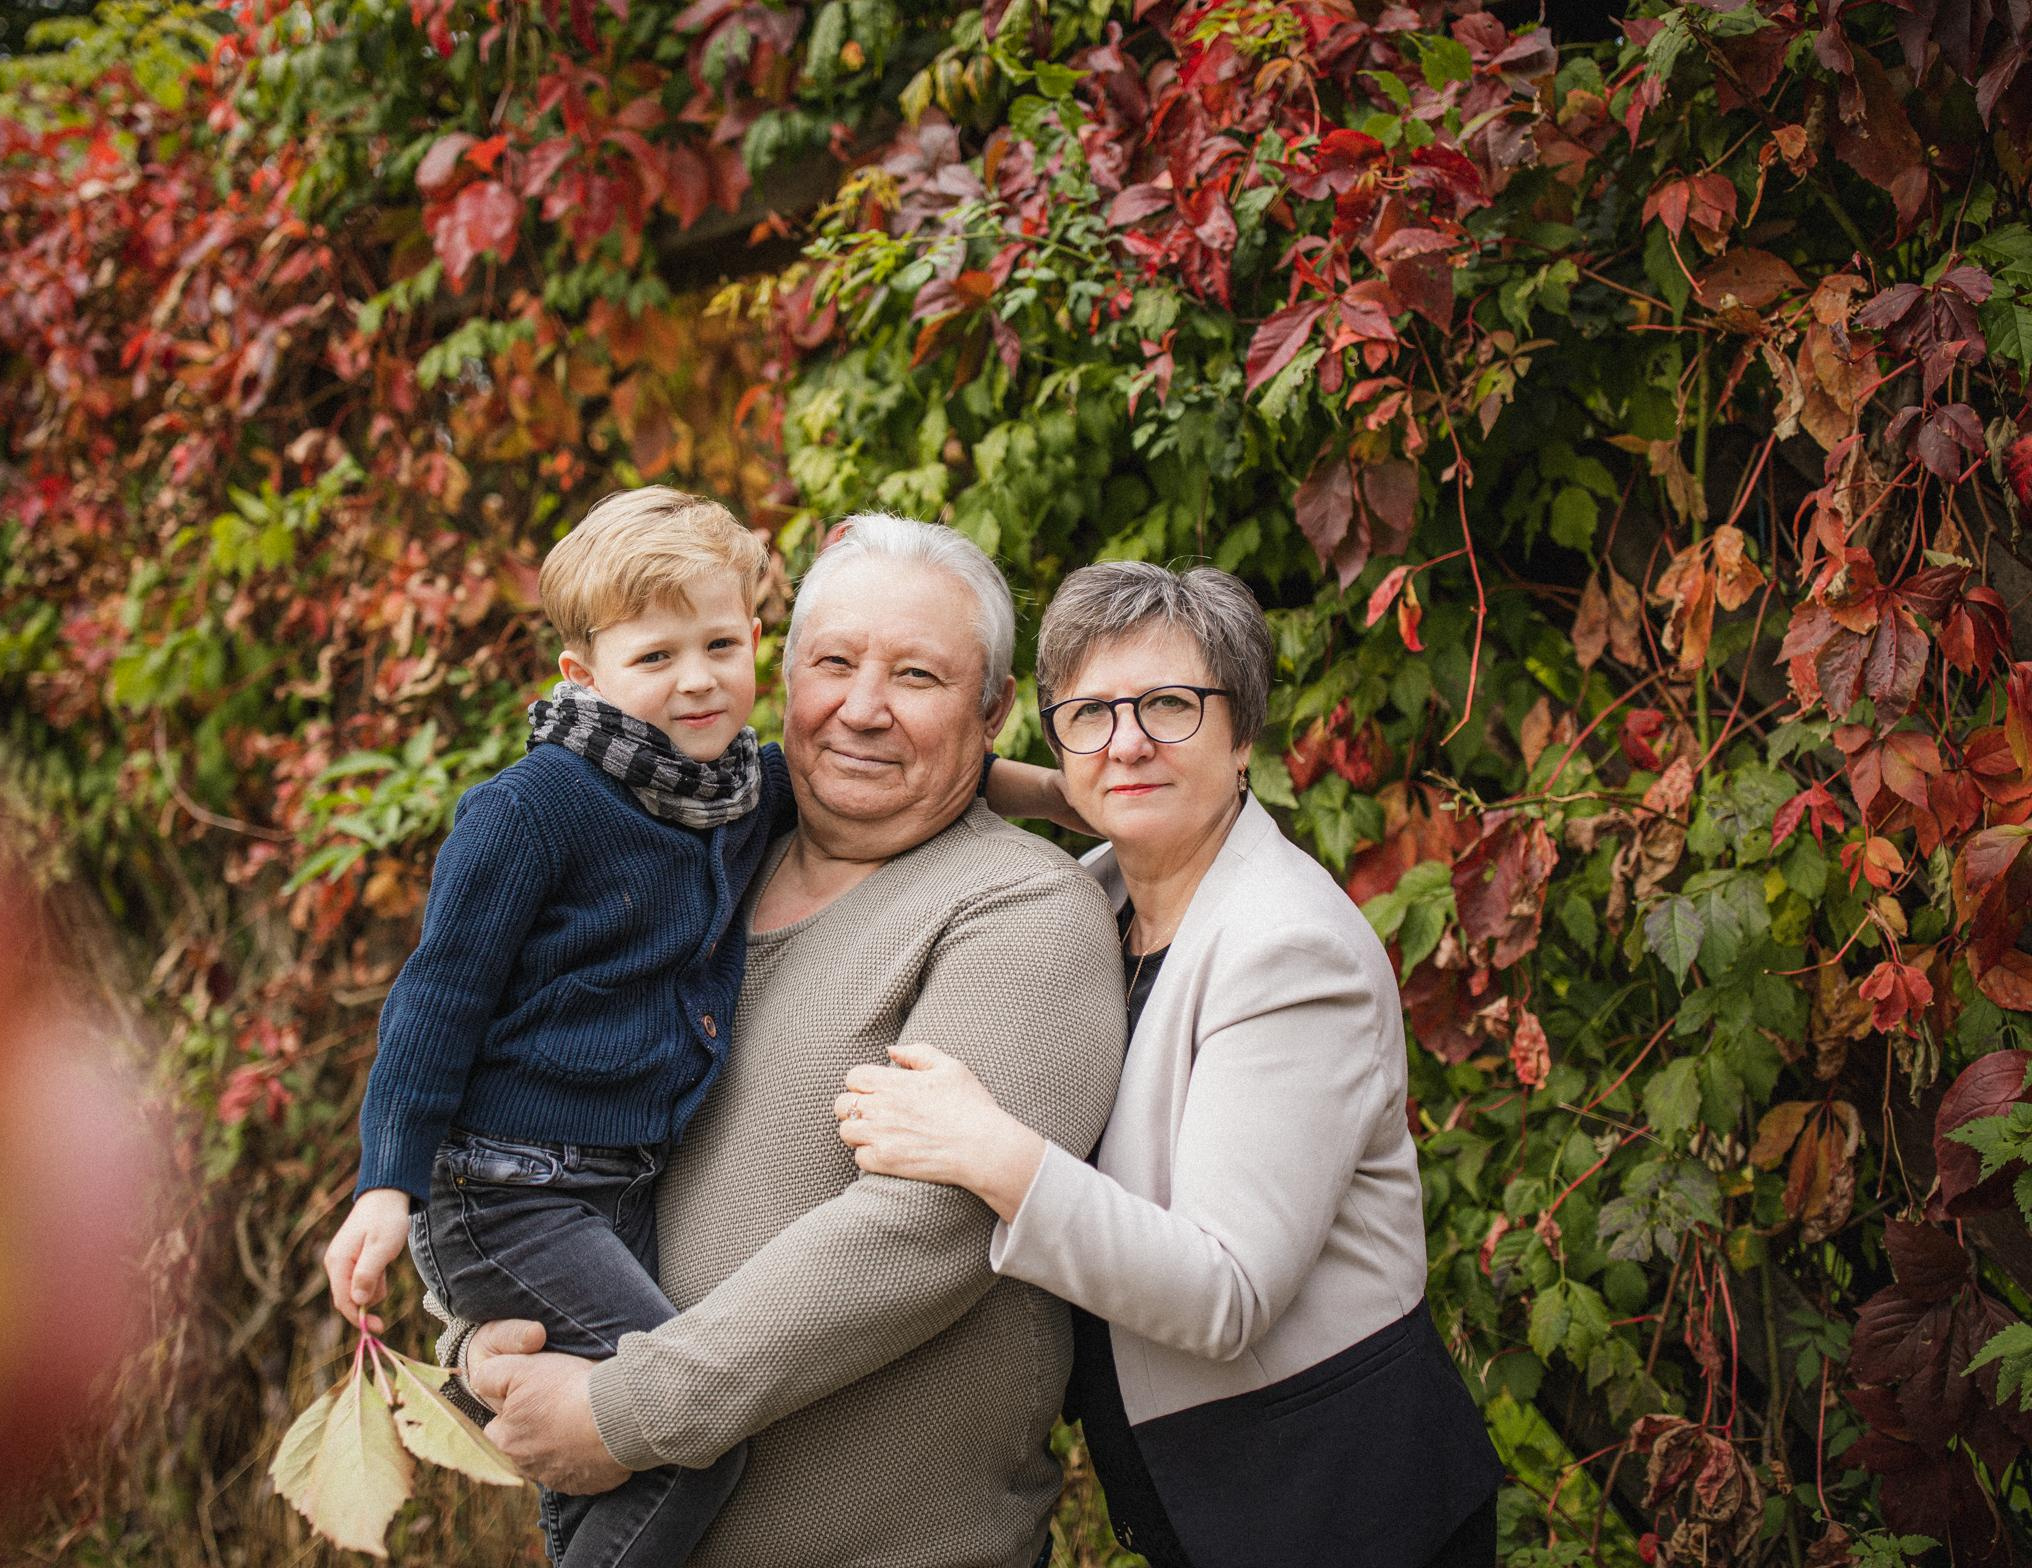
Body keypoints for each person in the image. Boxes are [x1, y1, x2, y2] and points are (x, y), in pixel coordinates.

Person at [318, 492, 1071, 1568]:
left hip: (612, 1198)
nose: (697, 680)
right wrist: (394, 1198)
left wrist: (1073, 795)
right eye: (655, 656)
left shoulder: (741, 797)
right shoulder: (554, 810)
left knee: (635, 1455)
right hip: (517, 1190)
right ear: (584, 676)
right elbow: (436, 1003)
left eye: (720, 645)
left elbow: (901, 760)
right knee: (668, 1458)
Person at [833, 561, 1503, 1568]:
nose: (1129, 740)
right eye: (1090, 712)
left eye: (1171, 705)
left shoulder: (1287, 949)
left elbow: (1223, 1291)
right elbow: (1062, 779)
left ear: (1243, 734)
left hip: (1335, 1500)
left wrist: (985, 1148)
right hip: (1205, 1493)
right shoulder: (1106, 890)